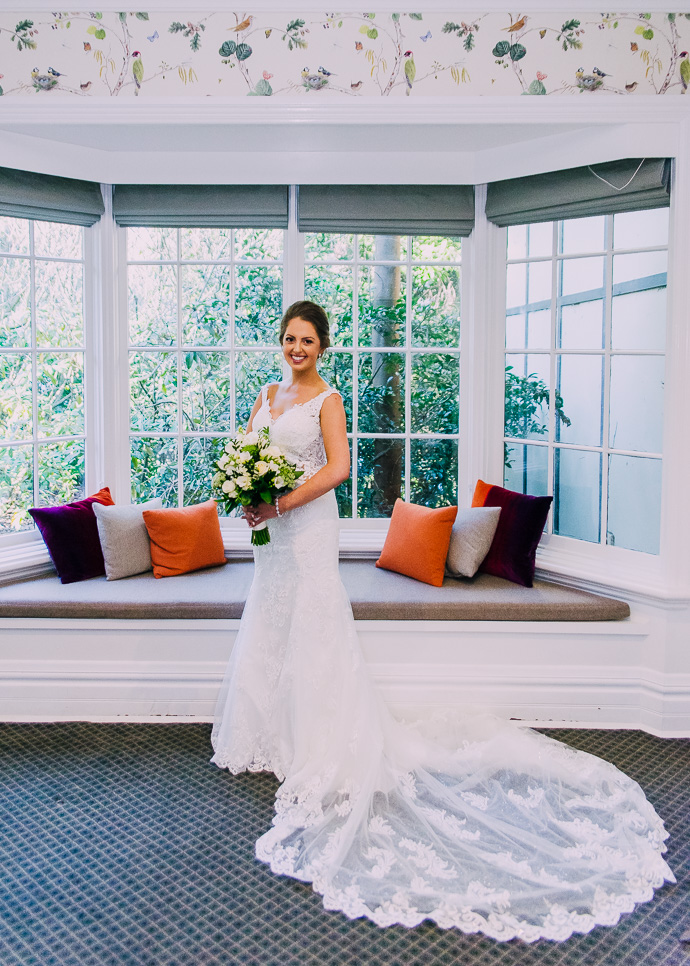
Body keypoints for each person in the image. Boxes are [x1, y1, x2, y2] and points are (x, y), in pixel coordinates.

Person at [211, 300, 674, 942]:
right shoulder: (267, 390)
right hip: (274, 538)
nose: (296, 348)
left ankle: (317, 744)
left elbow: (340, 469)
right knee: (271, 621)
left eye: (307, 340)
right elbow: (251, 451)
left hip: (309, 528)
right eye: (289, 337)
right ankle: (268, 736)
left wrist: (283, 501)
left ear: (324, 345)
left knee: (315, 629)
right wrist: (250, 496)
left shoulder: (328, 399)